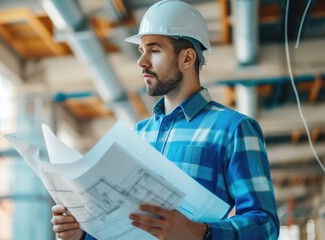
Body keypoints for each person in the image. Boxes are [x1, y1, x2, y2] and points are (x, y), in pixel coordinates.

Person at [51, 0, 280, 239]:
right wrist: (81, 233)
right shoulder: (137, 135)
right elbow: (122, 226)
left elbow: (266, 225)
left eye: (155, 50)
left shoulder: (233, 130)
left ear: (187, 59)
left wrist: (199, 233)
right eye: (142, 51)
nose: (142, 62)